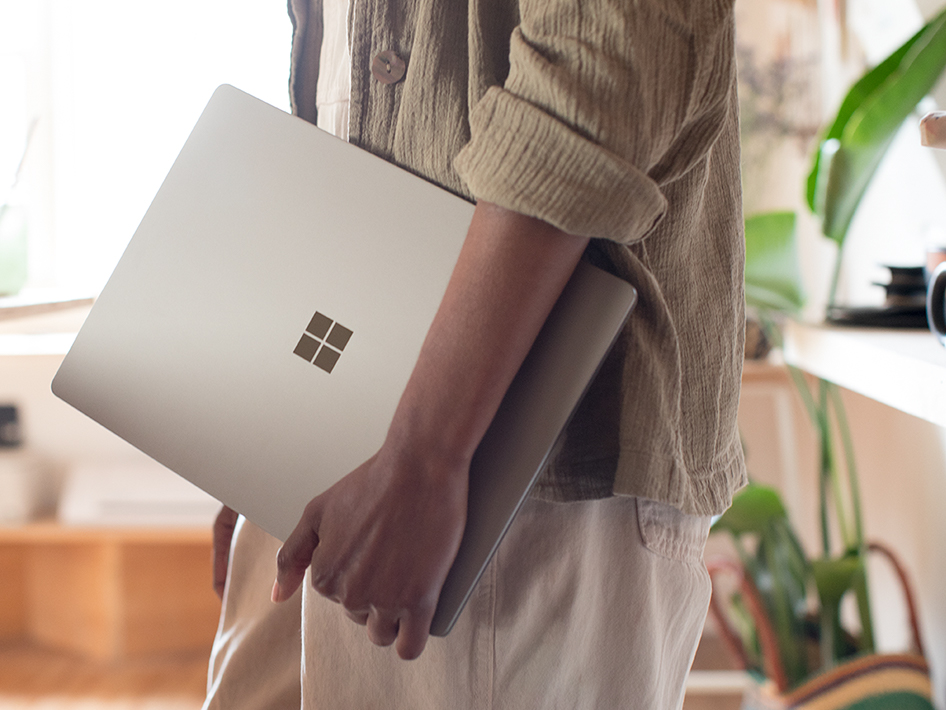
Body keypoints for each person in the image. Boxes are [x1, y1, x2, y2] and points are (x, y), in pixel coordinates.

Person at [206, 0, 747, 706]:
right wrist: (275, 417)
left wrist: (426, 452)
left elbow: (609, 60)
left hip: (508, 462)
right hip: (343, 436)